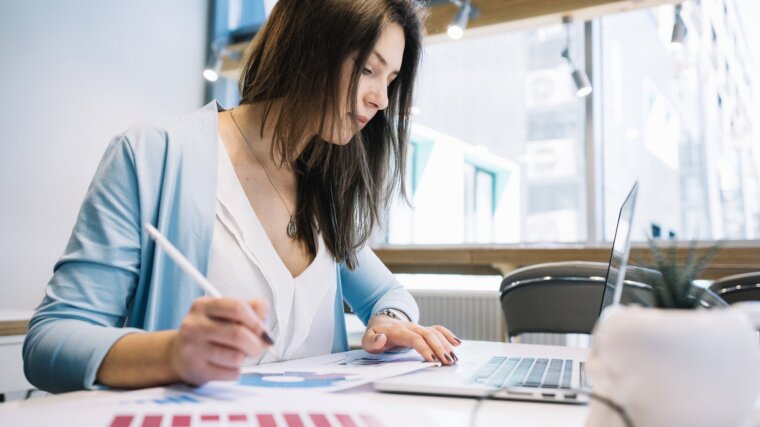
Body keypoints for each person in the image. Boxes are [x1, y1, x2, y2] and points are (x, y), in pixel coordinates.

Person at [23, 0, 461, 394]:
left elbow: (388, 293)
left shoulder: (325, 184)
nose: (382, 99)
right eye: (368, 68)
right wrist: (172, 354)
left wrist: (392, 323)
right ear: (308, 46)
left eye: (392, 79)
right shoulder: (152, 155)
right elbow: (51, 339)